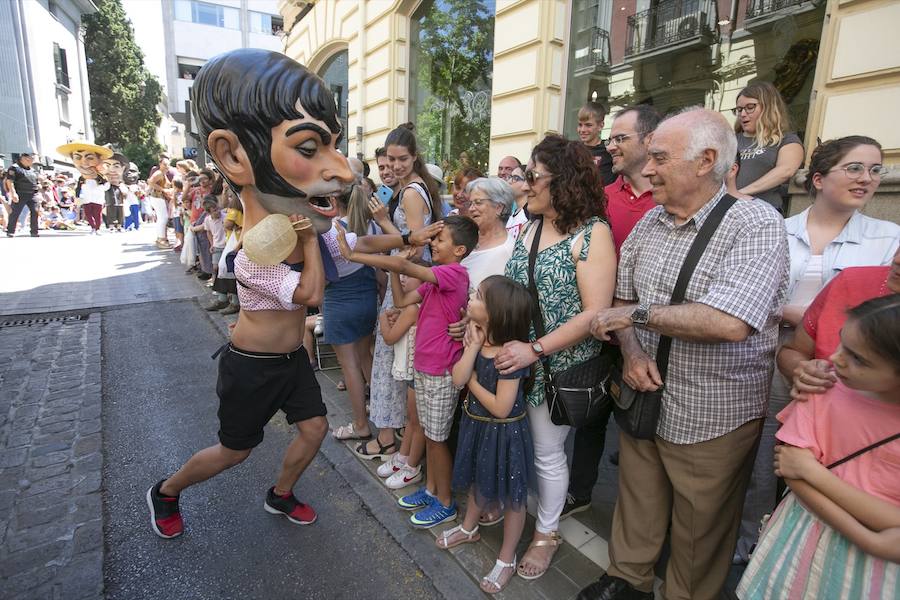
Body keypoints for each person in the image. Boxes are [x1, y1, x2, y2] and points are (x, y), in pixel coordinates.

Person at [146, 48, 356, 538]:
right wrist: (310, 238)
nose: (343, 170)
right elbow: (309, 296)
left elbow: (355, 251)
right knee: (234, 452)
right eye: (309, 148)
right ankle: (167, 490)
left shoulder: (310, 225)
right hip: (252, 366)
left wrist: (407, 243)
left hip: (291, 362)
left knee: (315, 427)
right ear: (234, 156)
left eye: (334, 146)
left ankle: (280, 495)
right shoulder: (251, 258)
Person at [581, 108, 789, 600]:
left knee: (700, 533)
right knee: (637, 503)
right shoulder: (652, 222)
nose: (646, 169)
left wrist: (631, 321)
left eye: (658, 158)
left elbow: (728, 322)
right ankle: (626, 583)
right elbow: (623, 301)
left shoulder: (755, 224)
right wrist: (631, 353)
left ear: (706, 161)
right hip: (644, 395)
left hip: (712, 413)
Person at [736, 135, 899, 563]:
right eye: (855, 168)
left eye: (875, 170)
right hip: (777, 354)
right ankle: (756, 536)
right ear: (820, 178)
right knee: (767, 452)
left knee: (846, 466)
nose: (867, 179)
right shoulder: (776, 228)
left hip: (850, 377)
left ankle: (818, 546)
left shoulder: (890, 239)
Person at [495, 134, 616, 580]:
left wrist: (536, 350)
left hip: (555, 366)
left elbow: (595, 313)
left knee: (547, 452)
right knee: (521, 444)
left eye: (532, 175)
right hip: (519, 359)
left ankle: (546, 534)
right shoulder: (530, 225)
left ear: (561, 181)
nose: (524, 184)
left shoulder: (592, 233)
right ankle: (515, 512)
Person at [737, 294, 900, 599]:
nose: (835, 359)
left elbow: (800, 469)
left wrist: (816, 474)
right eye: (841, 343)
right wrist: (876, 536)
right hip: (802, 539)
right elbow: (791, 471)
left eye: (858, 358)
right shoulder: (824, 389)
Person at [336, 215, 478, 529]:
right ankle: (431, 491)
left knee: (438, 440)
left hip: (441, 371)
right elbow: (401, 299)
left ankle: (445, 502)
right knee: (430, 435)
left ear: (460, 250)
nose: (433, 243)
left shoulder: (453, 274)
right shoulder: (435, 282)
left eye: (441, 240)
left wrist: (353, 256)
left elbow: (405, 271)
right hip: (425, 368)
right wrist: (396, 262)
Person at [561, 104, 662, 522]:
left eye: (620, 138)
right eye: (611, 138)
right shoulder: (604, 196)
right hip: (601, 320)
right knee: (592, 413)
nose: (609, 145)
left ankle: (643, 517)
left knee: (644, 425)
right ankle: (580, 491)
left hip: (649, 325)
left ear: (649, 142)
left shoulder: (669, 196)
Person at [437, 275, 535, 594]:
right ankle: (468, 528)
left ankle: (506, 558)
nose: (471, 297)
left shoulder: (510, 356)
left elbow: (502, 408)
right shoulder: (479, 339)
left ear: (495, 313)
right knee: (478, 479)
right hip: (477, 427)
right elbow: (457, 378)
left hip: (505, 434)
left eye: (478, 295)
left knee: (514, 497)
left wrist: (474, 384)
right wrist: (474, 348)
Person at [358, 123, 442, 461]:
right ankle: (396, 438)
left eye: (400, 159)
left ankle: (389, 439)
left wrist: (383, 222)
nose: (393, 165)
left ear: (414, 157)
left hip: (406, 282)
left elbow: (418, 247)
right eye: (389, 159)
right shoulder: (413, 187)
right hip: (402, 279)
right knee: (395, 362)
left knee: (392, 359)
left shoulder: (410, 192)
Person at [777, 246, 900, 402]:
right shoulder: (852, 282)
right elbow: (793, 350)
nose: (897, 260)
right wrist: (804, 371)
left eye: (858, 359)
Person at [733, 81, 804, 213]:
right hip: (728, 210)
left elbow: (785, 170)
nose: (743, 114)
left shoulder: (787, 140)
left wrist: (740, 193)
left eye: (750, 107)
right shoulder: (731, 140)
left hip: (763, 212)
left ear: (768, 107)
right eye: (739, 109)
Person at [461, 177, 517, 287]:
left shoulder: (509, 250)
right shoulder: (464, 239)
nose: (471, 209)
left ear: (499, 208)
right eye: (470, 203)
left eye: (478, 202)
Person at [57, 141, 113, 235]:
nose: (84, 162)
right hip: (86, 199)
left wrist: (99, 188)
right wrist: (78, 198)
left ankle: (97, 228)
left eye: (90, 158)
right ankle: (93, 227)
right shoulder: (82, 178)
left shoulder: (100, 176)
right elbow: (78, 188)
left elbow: (106, 186)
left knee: (97, 214)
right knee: (88, 214)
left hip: (97, 199)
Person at [577, 101, 615, 186]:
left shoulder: (610, 150)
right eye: (580, 125)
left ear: (601, 126)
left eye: (588, 125)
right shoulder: (573, 151)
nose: (582, 130)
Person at [4, 152, 39, 238]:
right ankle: (10, 231)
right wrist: (13, 193)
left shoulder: (32, 170)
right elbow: (9, 181)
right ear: (24, 159)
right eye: (31, 159)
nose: (32, 161)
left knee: (35, 211)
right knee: (15, 213)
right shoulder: (15, 168)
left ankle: (34, 231)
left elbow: (36, 181)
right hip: (20, 193)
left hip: (32, 194)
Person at [147, 153, 174, 248]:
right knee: (163, 218)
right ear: (160, 164)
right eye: (165, 164)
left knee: (162, 218)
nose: (167, 166)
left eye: (168, 165)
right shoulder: (158, 173)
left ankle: (161, 238)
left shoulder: (162, 173)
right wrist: (163, 190)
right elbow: (150, 182)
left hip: (159, 197)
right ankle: (161, 239)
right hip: (157, 197)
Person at [504, 165, 529, 239]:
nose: (509, 182)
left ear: (527, 183)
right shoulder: (511, 215)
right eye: (510, 177)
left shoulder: (530, 214)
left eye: (515, 178)